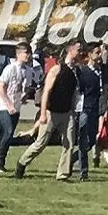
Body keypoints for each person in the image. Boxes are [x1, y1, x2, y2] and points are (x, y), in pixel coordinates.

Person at [15, 42, 81, 180]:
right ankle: (22, 163)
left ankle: (62, 174)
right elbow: (46, 92)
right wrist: (43, 113)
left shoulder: (76, 71)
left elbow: (74, 94)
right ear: (70, 50)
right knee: (41, 142)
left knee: (69, 143)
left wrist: (73, 112)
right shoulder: (56, 69)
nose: (81, 52)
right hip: (52, 111)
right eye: (78, 50)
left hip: (67, 112)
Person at [0, 42, 37, 172]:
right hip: (5, 106)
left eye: (29, 52)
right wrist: (9, 105)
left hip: (17, 107)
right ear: (18, 54)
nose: (28, 55)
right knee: (8, 132)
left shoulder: (28, 71)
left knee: (9, 136)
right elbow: (1, 88)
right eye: (26, 52)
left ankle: (1, 162)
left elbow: (25, 88)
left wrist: (25, 95)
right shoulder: (10, 68)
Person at [71, 45, 102, 180]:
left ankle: (71, 159)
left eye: (101, 52)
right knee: (83, 140)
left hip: (96, 109)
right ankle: (84, 172)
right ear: (90, 54)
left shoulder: (102, 71)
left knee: (91, 141)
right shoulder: (83, 71)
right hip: (85, 109)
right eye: (97, 52)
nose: (100, 55)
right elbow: (79, 90)